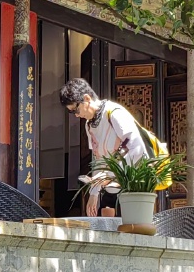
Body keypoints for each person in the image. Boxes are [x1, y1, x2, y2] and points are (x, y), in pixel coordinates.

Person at [59, 78, 147, 217]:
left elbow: (136, 146)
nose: (76, 115)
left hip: (134, 185)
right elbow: (98, 159)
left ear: (87, 99)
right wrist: (94, 193)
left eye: (75, 109)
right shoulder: (89, 125)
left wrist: (112, 172)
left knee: (132, 225)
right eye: (72, 112)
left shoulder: (114, 113)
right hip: (111, 187)